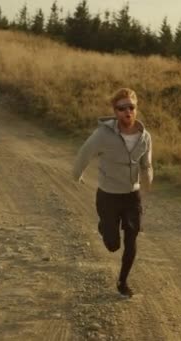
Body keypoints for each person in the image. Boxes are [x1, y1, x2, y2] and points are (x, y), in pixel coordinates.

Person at [73, 88, 153, 297]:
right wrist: (77, 174)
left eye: (131, 107)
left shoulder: (145, 137)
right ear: (115, 111)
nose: (127, 112)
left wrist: (147, 179)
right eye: (121, 108)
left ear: (136, 109)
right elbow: (84, 153)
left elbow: (147, 163)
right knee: (112, 245)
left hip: (132, 196)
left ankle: (122, 282)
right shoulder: (102, 135)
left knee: (132, 237)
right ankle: (104, 227)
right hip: (108, 195)